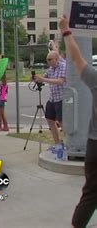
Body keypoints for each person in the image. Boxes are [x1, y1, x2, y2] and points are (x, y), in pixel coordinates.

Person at [58, 15, 97, 228]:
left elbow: (76, 58)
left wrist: (66, 31)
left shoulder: (95, 79)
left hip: (94, 146)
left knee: (91, 192)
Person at [34, 50, 66, 151]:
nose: (48, 61)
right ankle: (57, 144)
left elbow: (60, 81)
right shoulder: (51, 69)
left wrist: (44, 80)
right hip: (52, 98)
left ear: (56, 59)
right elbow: (44, 77)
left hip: (61, 98)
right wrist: (36, 78)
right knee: (50, 120)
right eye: (47, 60)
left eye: (50, 59)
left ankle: (69, 143)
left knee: (62, 122)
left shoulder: (63, 66)